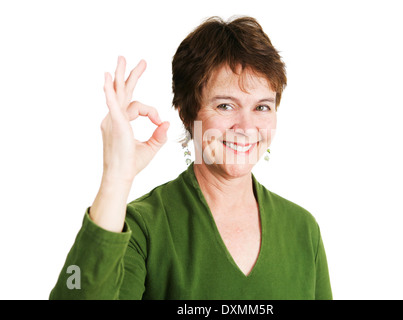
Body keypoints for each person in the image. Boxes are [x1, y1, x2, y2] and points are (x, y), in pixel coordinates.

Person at [49, 16, 332, 300]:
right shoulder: (142, 228)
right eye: (225, 105)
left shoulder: (303, 229)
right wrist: (116, 177)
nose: (246, 128)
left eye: (262, 107)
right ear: (187, 113)